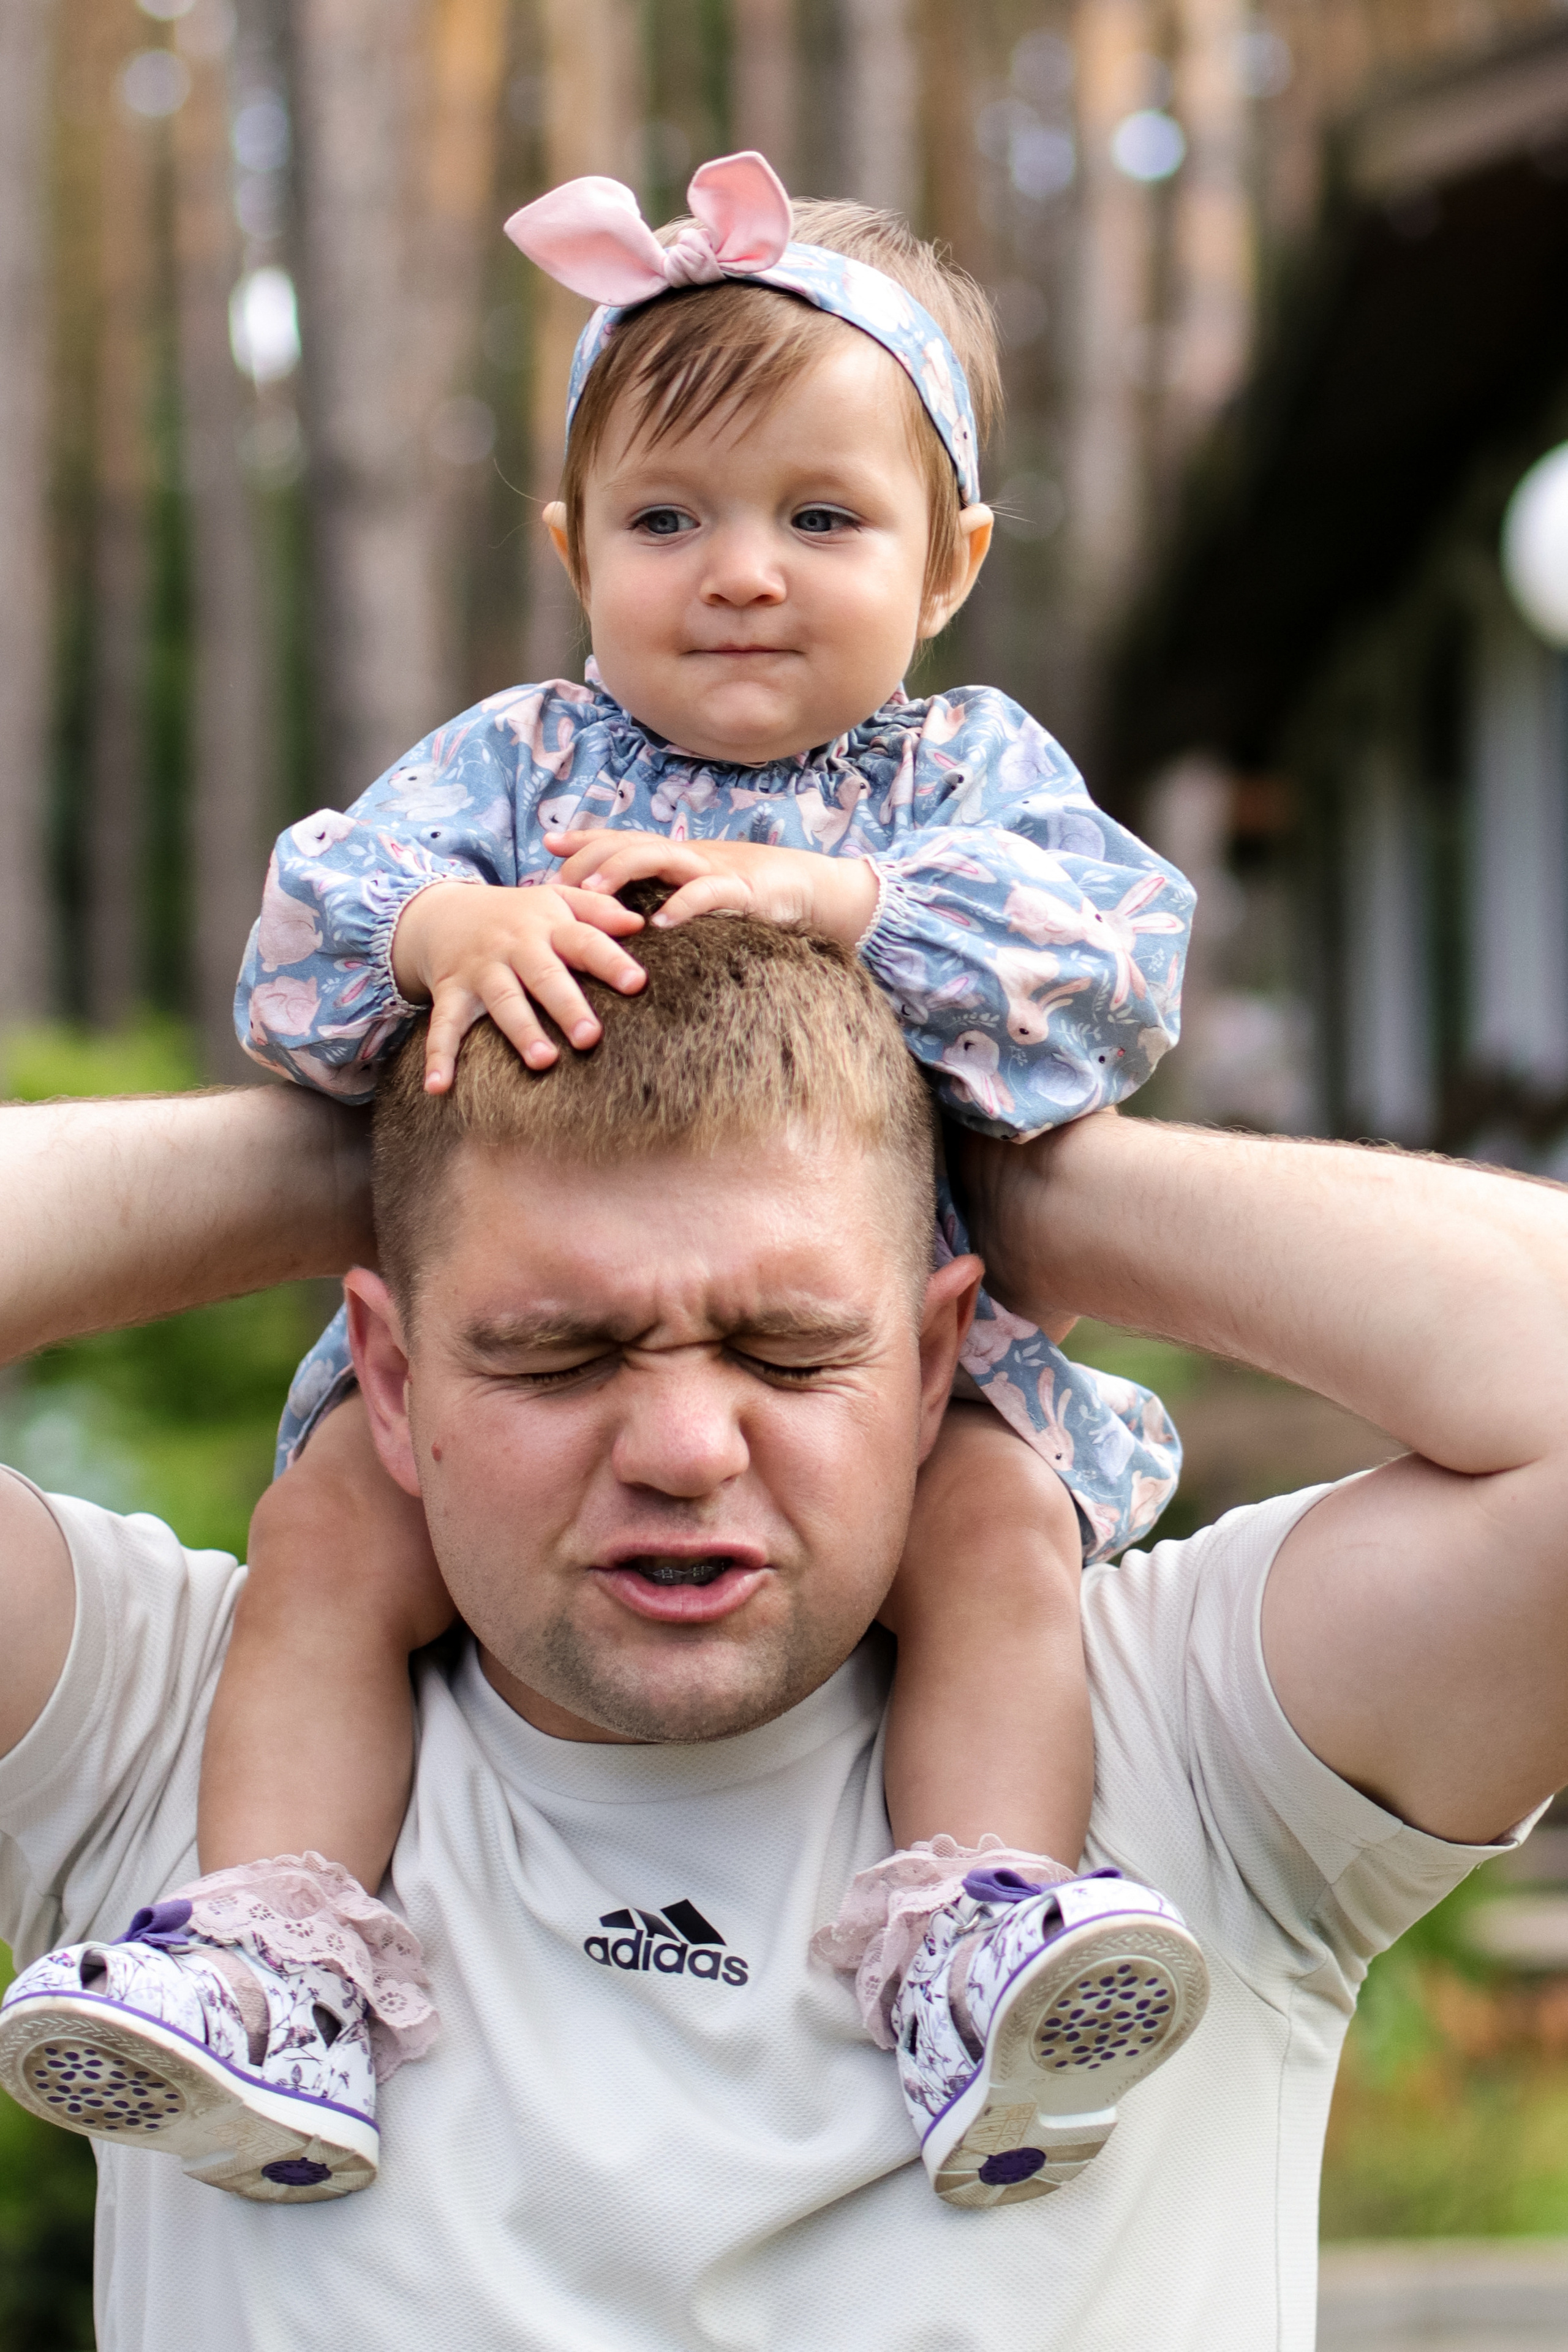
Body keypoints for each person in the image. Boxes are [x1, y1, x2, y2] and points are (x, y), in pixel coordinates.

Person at [18, 153, 1205, 2203]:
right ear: (576, 551)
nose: (742, 571)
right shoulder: (512, 771)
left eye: (821, 519)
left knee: (1001, 1542)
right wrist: (440, 945)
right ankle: (277, 1961)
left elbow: (1114, 981)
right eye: (671, 519)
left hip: (906, 1378)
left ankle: (974, 1935)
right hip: (517, 1361)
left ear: (947, 562)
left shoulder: (964, 781)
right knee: (320, 1553)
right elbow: (297, 955)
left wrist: (844, 902)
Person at [0, 918, 1564, 2350]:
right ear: (393, 1389)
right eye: (557, 1353)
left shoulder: (1190, 1739)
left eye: (793, 1349)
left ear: (941, 1349)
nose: (684, 1447)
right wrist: (364, 1146)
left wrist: (1014, 1172)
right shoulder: (172, 1741)